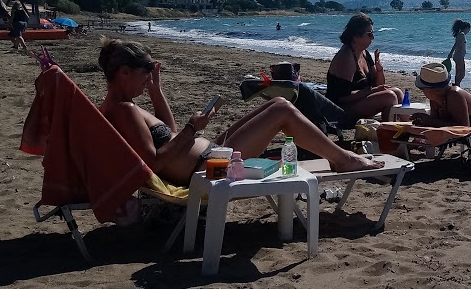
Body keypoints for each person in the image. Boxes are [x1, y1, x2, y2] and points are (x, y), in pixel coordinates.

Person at [98, 38, 380, 185]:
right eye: (145, 74)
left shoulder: (121, 106)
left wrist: (157, 93)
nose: (149, 79)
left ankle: (341, 156)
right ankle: (342, 159)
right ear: (124, 73)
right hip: (207, 170)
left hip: (211, 155)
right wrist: (192, 130)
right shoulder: (124, 111)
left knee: (273, 105)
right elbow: (154, 165)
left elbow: (168, 136)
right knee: (282, 108)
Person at [326, 13, 404, 120]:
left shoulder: (364, 53)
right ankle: (389, 130)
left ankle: (404, 128)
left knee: (397, 92)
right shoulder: (346, 57)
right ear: (356, 36)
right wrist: (373, 91)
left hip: (358, 101)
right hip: (339, 109)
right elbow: (343, 97)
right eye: (369, 34)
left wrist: (379, 70)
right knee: (389, 97)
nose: (373, 37)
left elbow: (379, 85)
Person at [447, 19, 471, 87]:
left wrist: (451, 53)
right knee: (461, 73)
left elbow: (456, 44)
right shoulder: (461, 34)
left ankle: (457, 85)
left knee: (459, 73)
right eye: (469, 29)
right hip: (459, 56)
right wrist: (451, 53)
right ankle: (457, 85)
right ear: (466, 28)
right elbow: (456, 44)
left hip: (458, 56)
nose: (469, 31)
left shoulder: (460, 34)